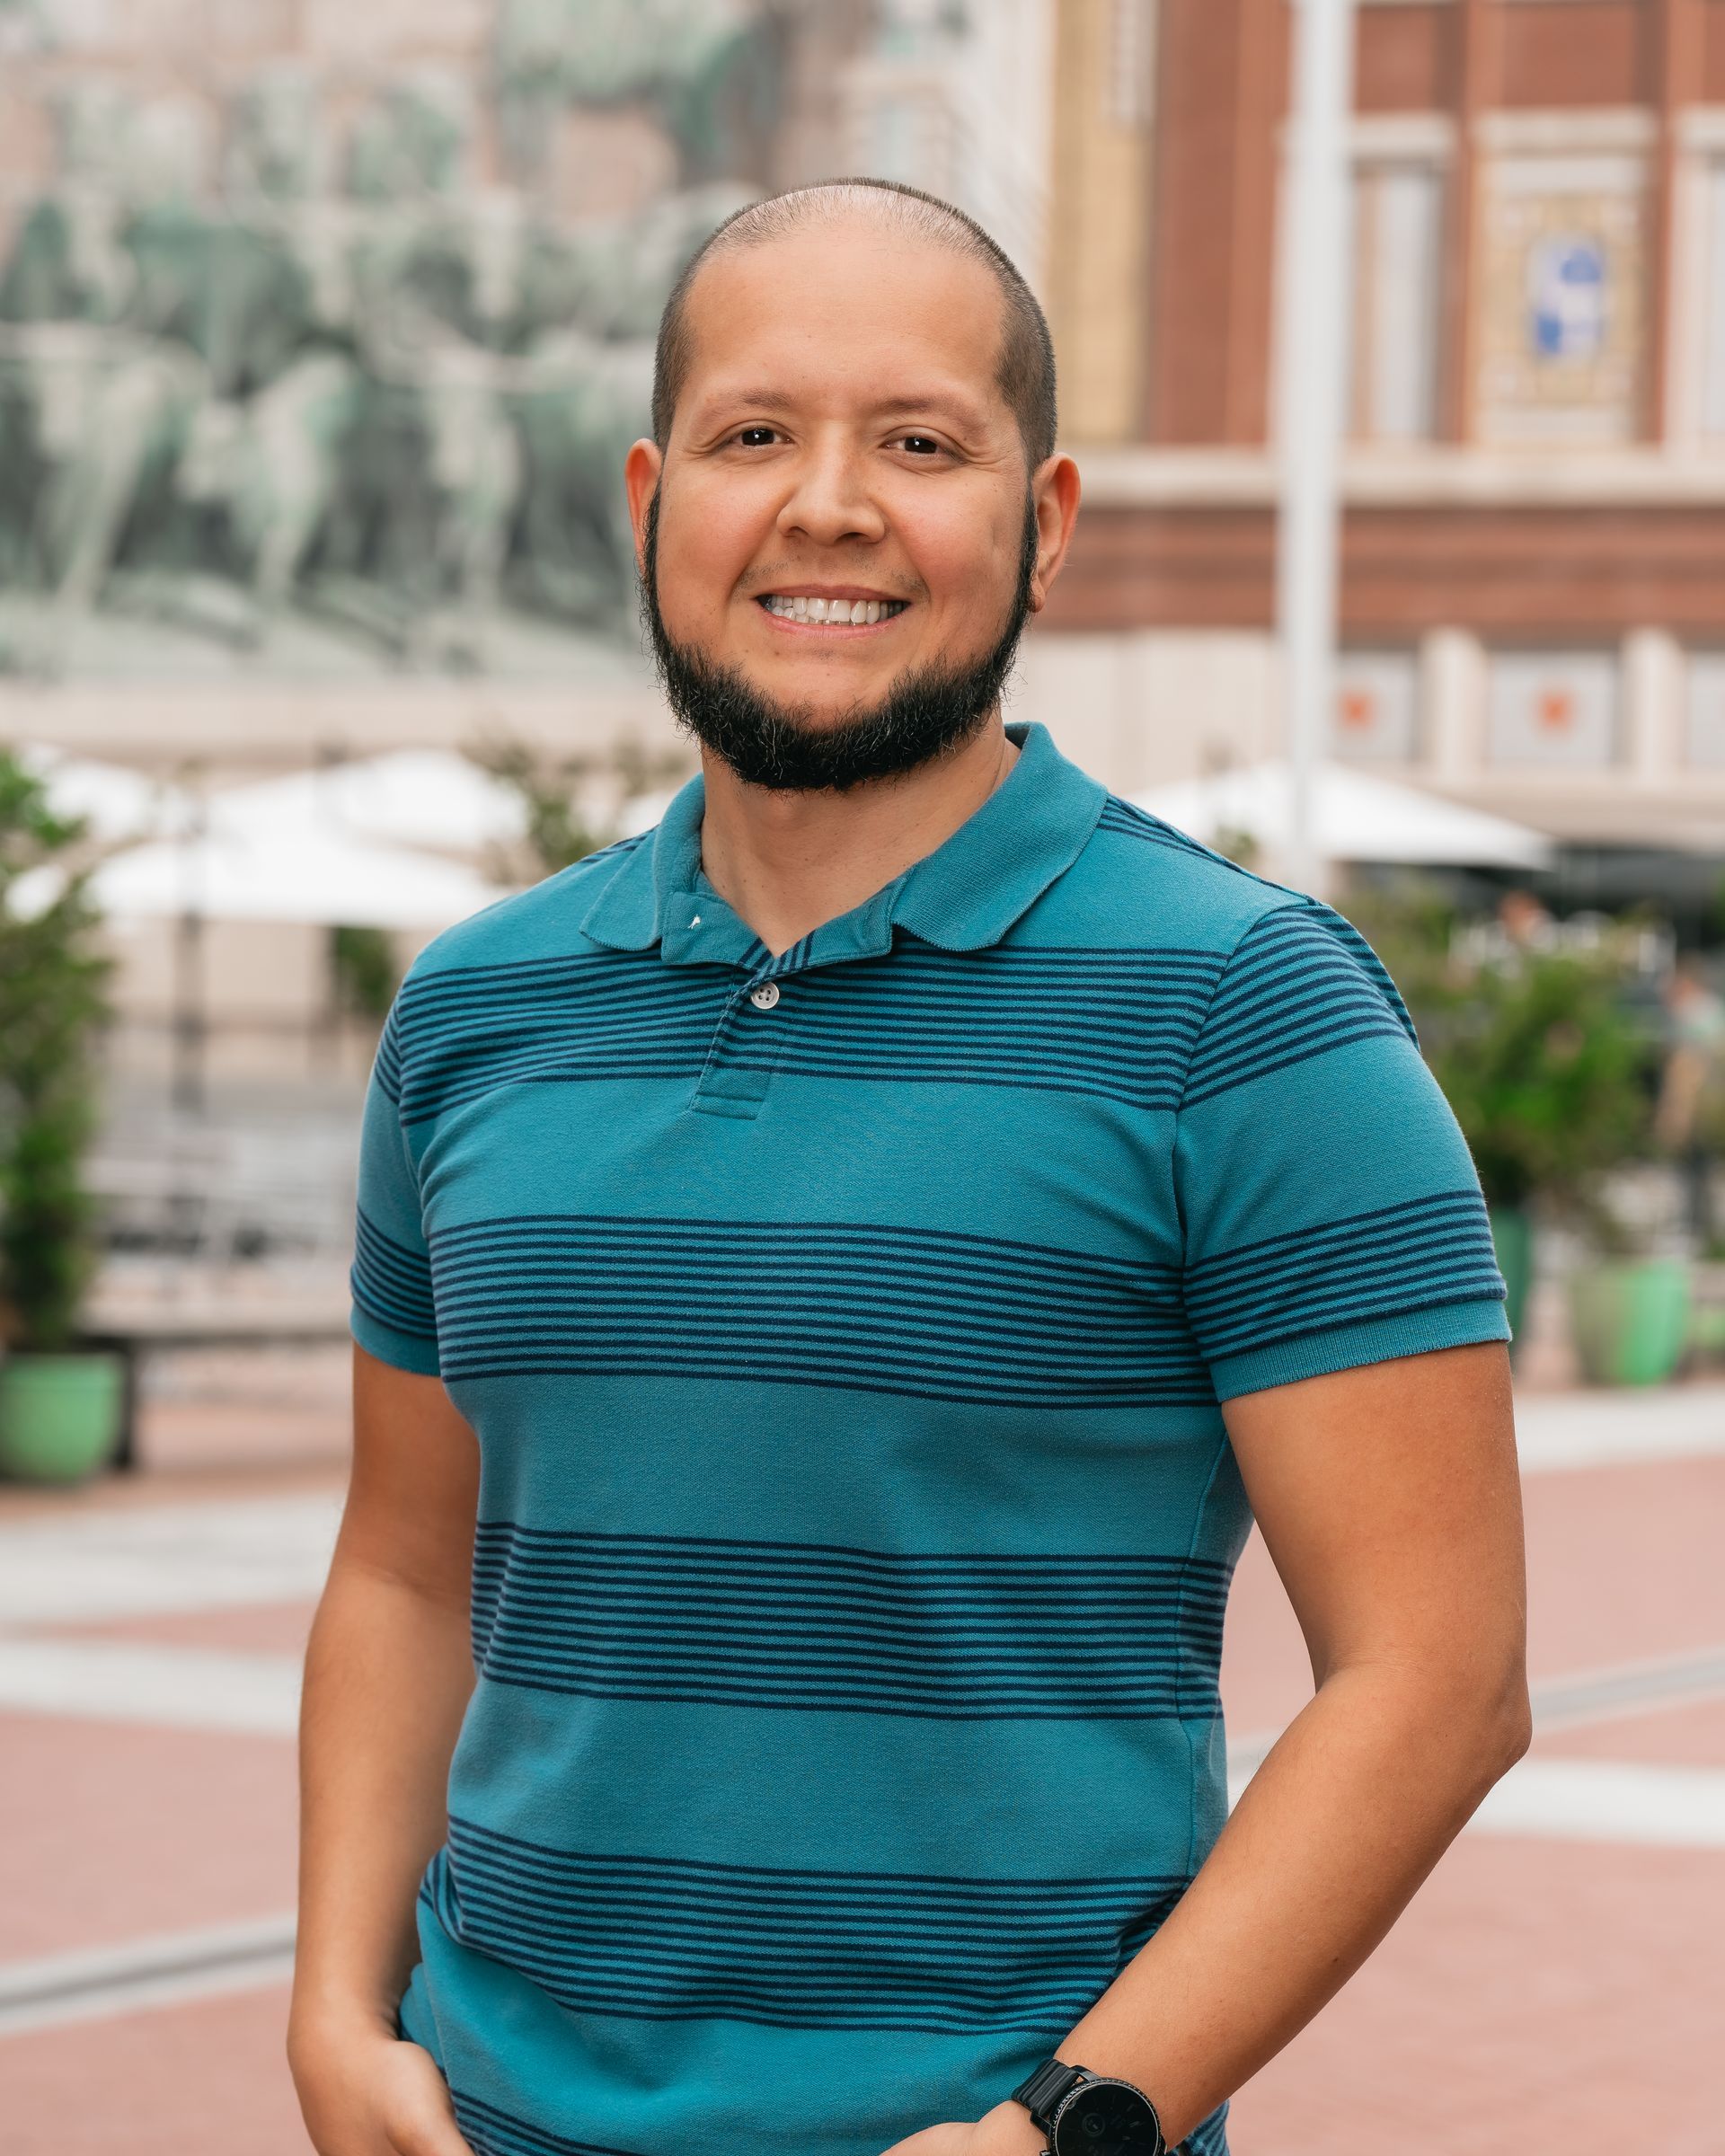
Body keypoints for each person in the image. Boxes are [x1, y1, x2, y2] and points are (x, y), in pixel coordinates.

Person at [288, 180, 1530, 2156]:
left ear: (1044, 522)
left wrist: (1070, 2123)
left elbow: (1437, 1677)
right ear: (650, 502)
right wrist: (331, 2009)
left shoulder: (1249, 1011)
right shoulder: (475, 1009)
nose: (829, 506)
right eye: (753, 434)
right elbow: (406, 1567)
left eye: (922, 445)